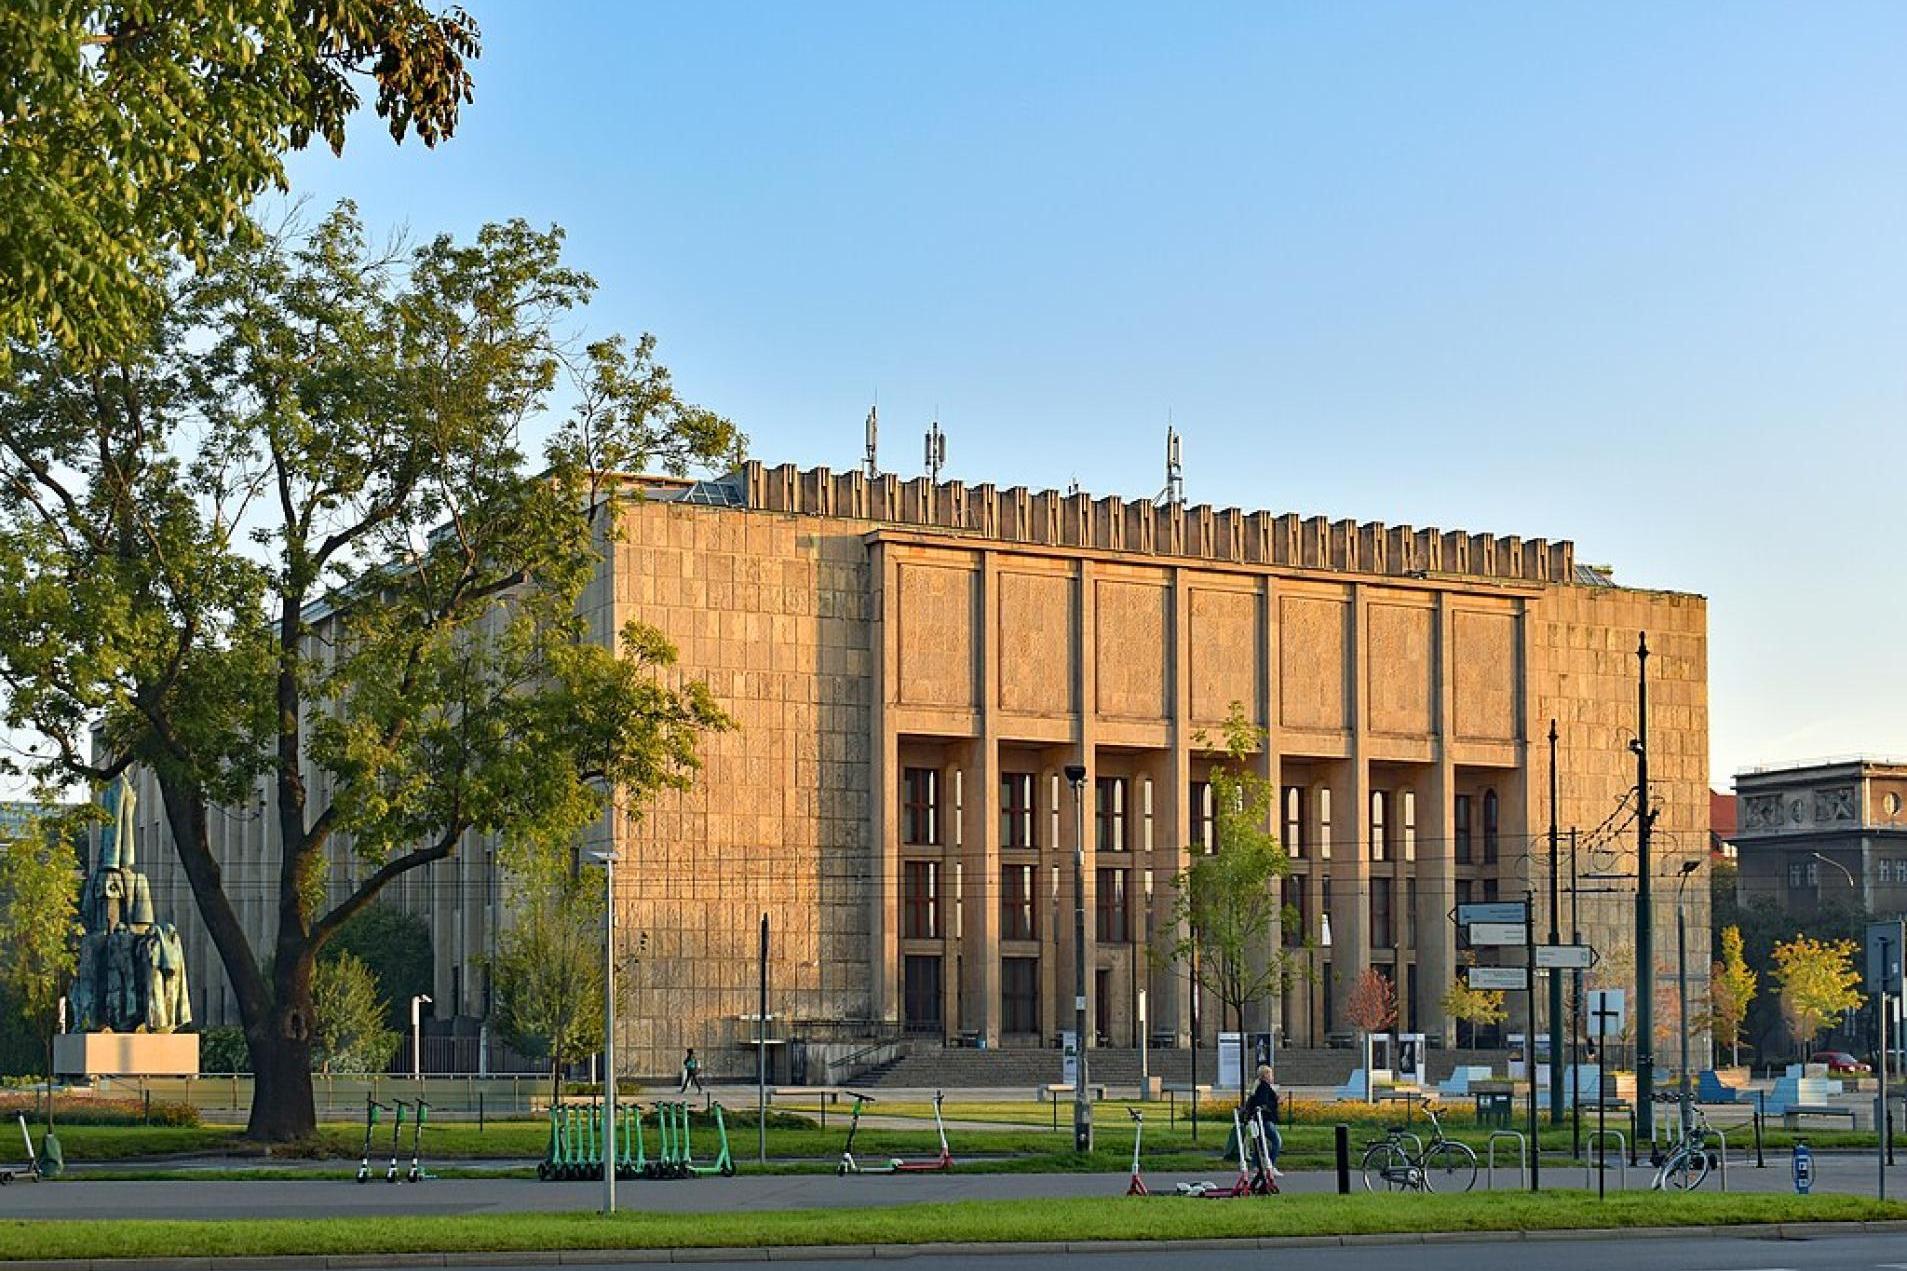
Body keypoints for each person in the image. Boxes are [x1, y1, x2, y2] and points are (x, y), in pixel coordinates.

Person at [1243, 1063, 1283, 1176]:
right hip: (1265, 1120)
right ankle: (1270, 1165)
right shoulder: (1264, 1087)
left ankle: (1256, 1167)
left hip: (1257, 1119)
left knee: (1259, 1143)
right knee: (1276, 1141)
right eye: (1270, 1074)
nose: (1272, 1077)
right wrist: (1276, 1101)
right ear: (1266, 1075)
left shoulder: (1257, 1086)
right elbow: (1263, 1103)